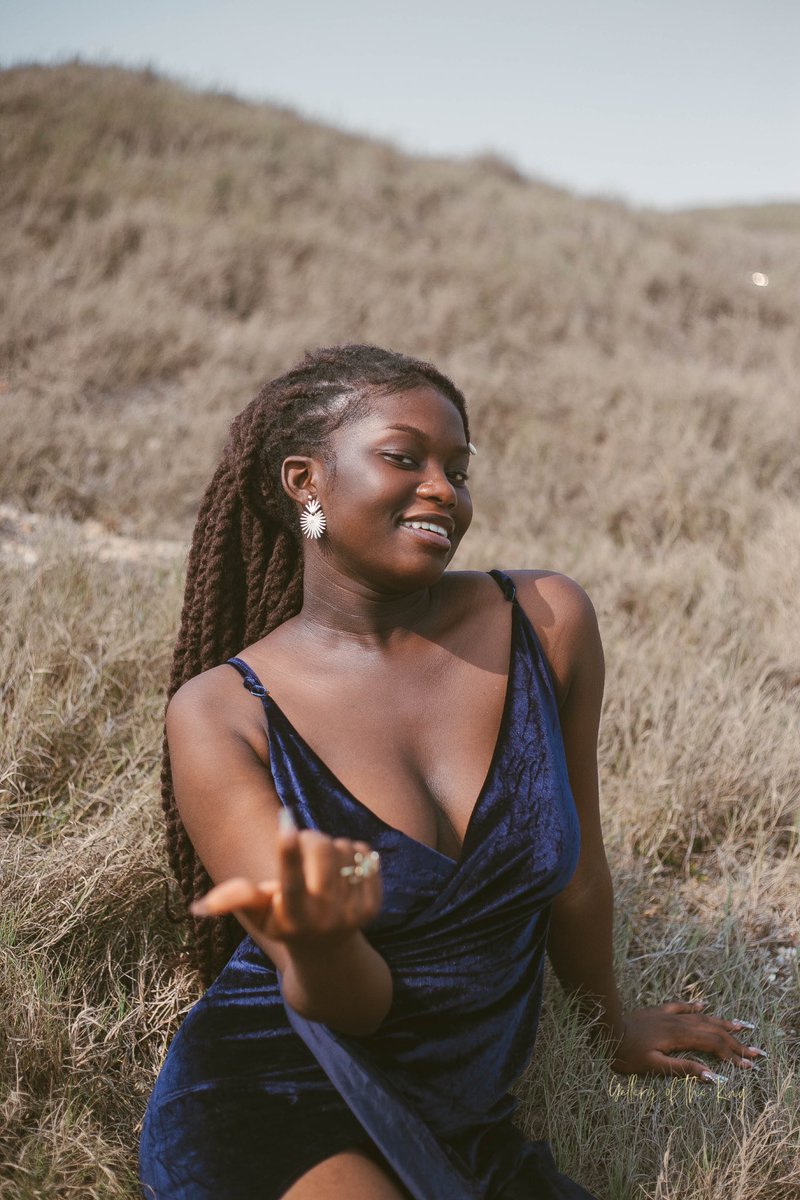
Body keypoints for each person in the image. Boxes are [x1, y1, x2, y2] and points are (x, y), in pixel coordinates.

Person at [139, 344, 764, 1200]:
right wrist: (322, 939)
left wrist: (610, 1027)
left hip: (468, 1122)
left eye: (458, 470)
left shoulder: (543, 621)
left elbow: (578, 874)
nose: (443, 489)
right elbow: (350, 1008)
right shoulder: (221, 713)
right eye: (405, 458)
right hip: (283, 1096)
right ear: (305, 482)